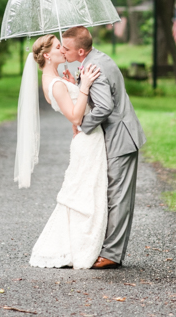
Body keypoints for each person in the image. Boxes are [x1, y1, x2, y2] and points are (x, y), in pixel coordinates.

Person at [18, 34, 108, 270]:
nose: (64, 49)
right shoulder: (56, 84)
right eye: (59, 47)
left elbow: (72, 113)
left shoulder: (55, 80)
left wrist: (76, 86)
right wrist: (85, 86)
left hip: (85, 139)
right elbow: (76, 117)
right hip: (88, 140)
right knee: (86, 194)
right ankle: (78, 247)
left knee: (83, 192)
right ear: (48, 55)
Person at [60, 26, 146, 269]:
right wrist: (76, 85)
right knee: (112, 192)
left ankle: (112, 254)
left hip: (121, 136)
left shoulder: (92, 66)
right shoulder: (94, 59)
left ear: (79, 50)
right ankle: (108, 248)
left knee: (118, 195)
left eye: (65, 48)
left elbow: (104, 106)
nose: (62, 51)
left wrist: (81, 124)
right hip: (115, 135)